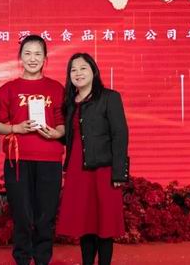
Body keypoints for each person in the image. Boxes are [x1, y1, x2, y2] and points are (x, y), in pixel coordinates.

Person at [0, 35, 65, 265]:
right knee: (21, 214)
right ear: (20, 57)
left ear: (45, 58)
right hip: (18, 159)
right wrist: (16, 128)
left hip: (50, 159)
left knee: (46, 214)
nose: (33, 58)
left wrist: (57, 133)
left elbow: (63, 122)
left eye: (38, 54)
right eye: (28, 53)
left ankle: (42, 258)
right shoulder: (9, 89)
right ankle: (22, 258)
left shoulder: (56, 88)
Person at [56, 52, 129, 265]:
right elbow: (70, 137)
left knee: (105, 225)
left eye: (83, 68)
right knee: (84, 223)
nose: (78, 73)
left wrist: (119, 172)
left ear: (94, 71)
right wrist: (53, 134)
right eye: (73, 70)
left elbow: (120, 135)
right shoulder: (70, 102)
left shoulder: (109, 97)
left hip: (104, 170)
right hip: (77, 170)